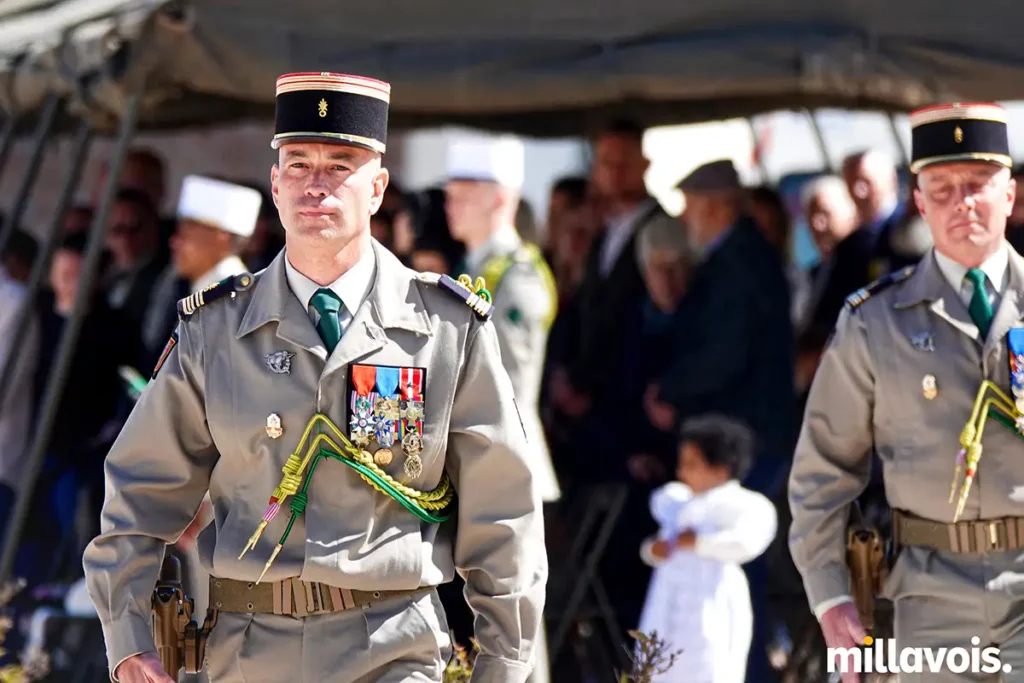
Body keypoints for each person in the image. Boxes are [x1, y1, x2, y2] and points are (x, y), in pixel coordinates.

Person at [83, 70, 547, 683]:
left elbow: (504, 510)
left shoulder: (445, 330)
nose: (315, 186)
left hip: (391, 647)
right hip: (245, 652)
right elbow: (139, 491)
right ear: (275, 185)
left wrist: (505, 662)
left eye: (340, 166)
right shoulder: (217, 330)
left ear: (378, 188)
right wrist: (129, 636)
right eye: (298, 165)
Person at [789, 101, 1024, 683]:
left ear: (1010, 194)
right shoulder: (875, 322)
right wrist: (830, 596)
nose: (960, 201)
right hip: (929, 593)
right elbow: (822, 471)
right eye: (940, 187)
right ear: (917, 201)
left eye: (977, 183)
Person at [638, 415, 777, 683]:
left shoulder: (741, 506)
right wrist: (654, 550)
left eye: (691, 464)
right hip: (668, 598)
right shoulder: (675, 503)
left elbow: (748, 542)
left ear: (721, 469)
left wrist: (701, 543)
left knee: (710, 665)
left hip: (712, 600)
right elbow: (656, 545)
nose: (681, 472)